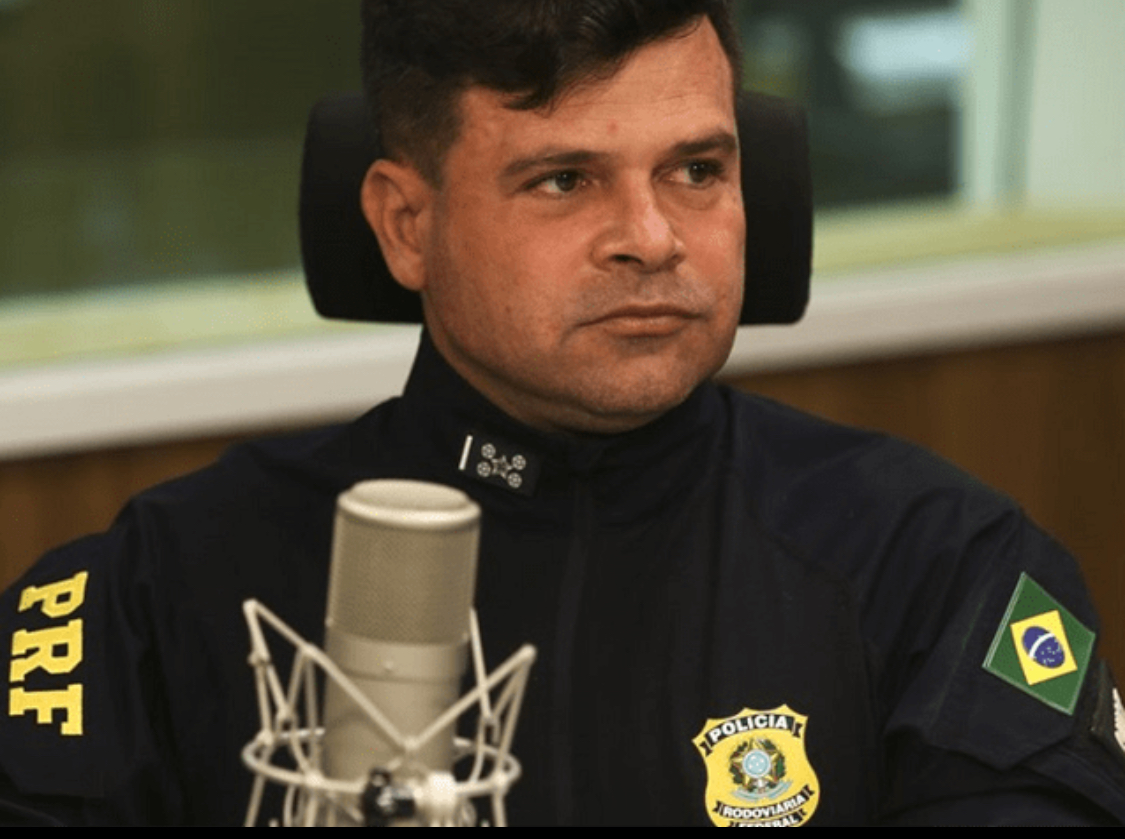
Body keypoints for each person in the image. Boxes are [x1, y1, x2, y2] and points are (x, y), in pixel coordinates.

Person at [1, 0, 1123, 825]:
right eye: (564, 180)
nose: (652, 237)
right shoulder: (159, 586)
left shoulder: (938, 562)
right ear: (405, 225)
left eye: (697, 169)